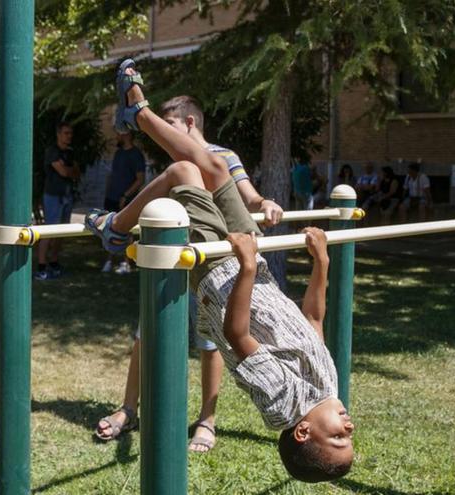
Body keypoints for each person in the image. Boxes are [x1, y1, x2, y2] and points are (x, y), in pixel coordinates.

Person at [88, 59, 353, 481]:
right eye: (349, 437)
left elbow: (237, 335)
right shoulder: (329, 389)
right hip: (251, 268)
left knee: (182, 172)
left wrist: (246, 266)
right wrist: (321, 263)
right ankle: (138, 115)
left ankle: (116, 228)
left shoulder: (282, 404)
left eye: (338, 438)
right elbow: (314, 321)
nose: (349, 428)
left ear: (303, 432)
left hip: (222, 278)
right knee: (211, 166)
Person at [94, 91, 284, 452]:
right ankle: (128, 409)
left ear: (190, 123)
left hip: (211, 265)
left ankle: (206, 420)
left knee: (210, 342)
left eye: (170, 126)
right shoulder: (173, 162)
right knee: (145, 333)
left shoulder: (223, 157)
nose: (165, 136)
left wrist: (265, 202)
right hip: (169, 260)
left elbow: (247, 195)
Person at [35, 122, 79, 281]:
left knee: (62, 232)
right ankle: (41, 268)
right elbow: (65, 172)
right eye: (66, 133)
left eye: (70, 133)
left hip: (67, 195)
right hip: (53, 195)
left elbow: (75, 173)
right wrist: (68, 170)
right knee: (49, 230)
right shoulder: (52, 152)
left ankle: (53, 263)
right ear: (58, 134)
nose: (69, 136)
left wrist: (68, 170)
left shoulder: (70, 152)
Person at [102, 131, 145, 274]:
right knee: (108, 229)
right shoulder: (118, 153)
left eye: (119, 133)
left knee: (126, 231)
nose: (116, 136)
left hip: (127, 200)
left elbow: (140, 179)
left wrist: (125, 196)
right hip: (111, 197)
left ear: (127, 135)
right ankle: (109, 261)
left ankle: (125, 263)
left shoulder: (136, 154)